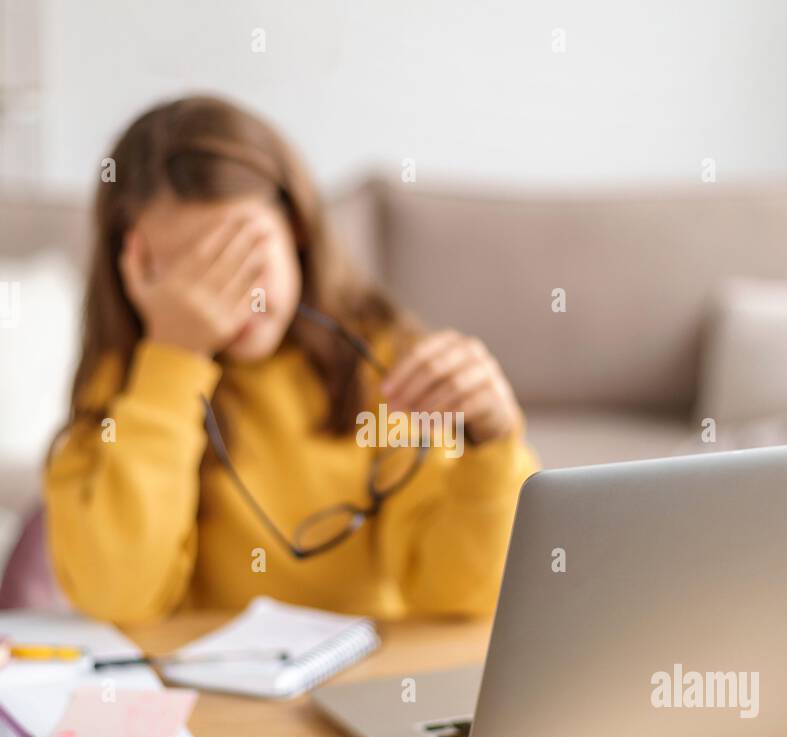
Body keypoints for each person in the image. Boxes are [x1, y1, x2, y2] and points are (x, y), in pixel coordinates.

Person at [44, 95, 538, 624]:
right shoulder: (129, 392)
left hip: (365, 679)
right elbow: (118, 597)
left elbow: (459, 595)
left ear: (297, 226)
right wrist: (173, 356)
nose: (225, 300)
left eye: (243, 257)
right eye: (190, 276)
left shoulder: (382, 364)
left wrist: (491, 447)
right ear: (133, 271)